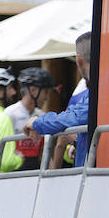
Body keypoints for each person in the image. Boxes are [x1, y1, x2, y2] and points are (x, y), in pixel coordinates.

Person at [25, 33, 92, 169]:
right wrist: (78, 143)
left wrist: (36, 122)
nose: (47, 97)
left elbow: (71, 118)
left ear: (79, 61)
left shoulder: (99, 91)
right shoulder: (98, 89)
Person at [7, 67, 53, 170]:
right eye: (45, 92)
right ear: (33, 90)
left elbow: (44, 150)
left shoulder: (42, 115)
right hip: (15, 171)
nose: (46, 97)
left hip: (36, 168)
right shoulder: (10, 114)